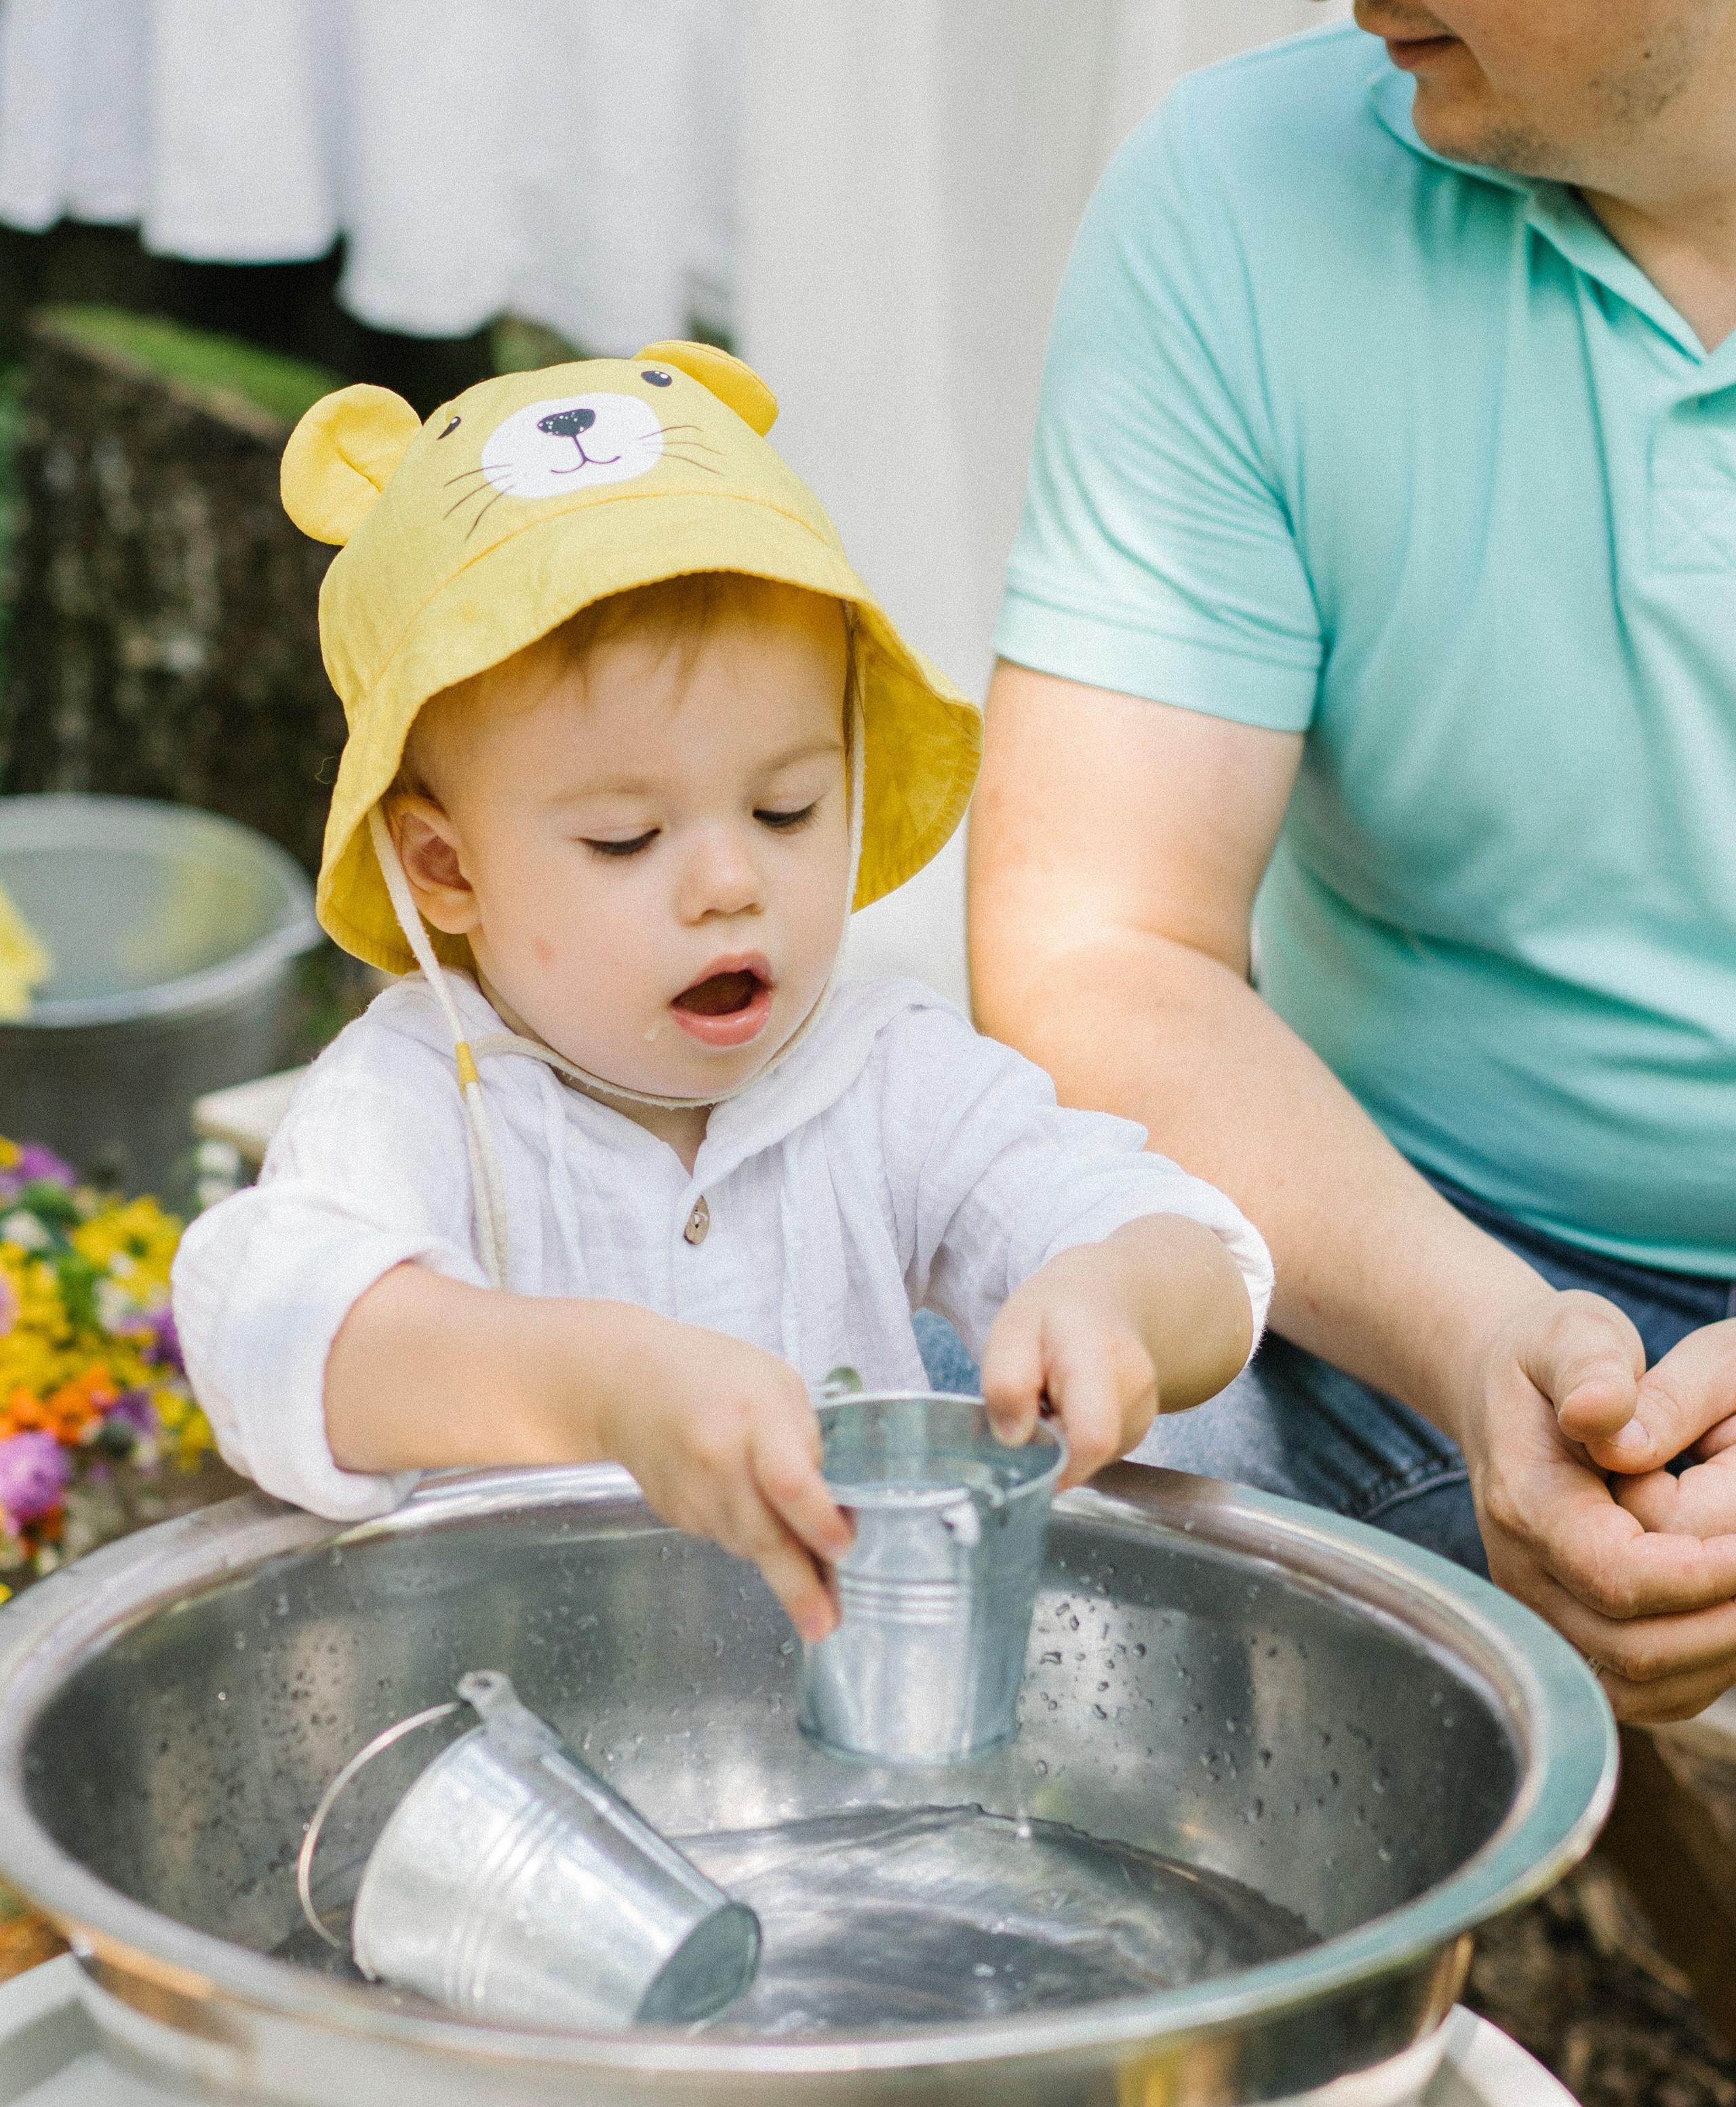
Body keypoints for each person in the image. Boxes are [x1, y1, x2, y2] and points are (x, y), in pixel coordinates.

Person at [173, 342, 1271, 1642]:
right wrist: (605, 1388)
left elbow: (1190, 1244)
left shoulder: (879, 1072)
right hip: (512, 1731)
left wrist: (1118, 1302)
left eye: (788, 807)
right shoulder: (419, 1099)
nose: (729, 882)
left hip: (836, 1725)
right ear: (444, 867)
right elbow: (266, 1321)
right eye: (626, 841)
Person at [970, 0, 1736, 1722]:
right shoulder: (1236, 193)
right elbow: (1097, 942)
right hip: (1391, 1270)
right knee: (969, 1435)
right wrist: (1478, 1347)